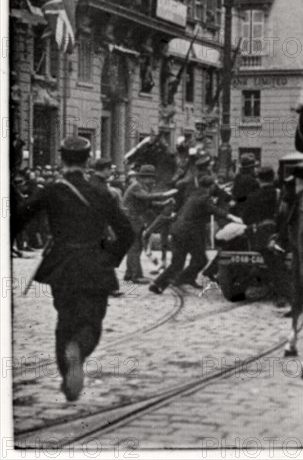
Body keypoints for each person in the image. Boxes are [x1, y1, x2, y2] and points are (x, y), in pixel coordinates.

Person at [15, 136, 134, 401]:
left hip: (62, 265)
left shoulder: (51, 190)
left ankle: (67, 373)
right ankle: (78, 352)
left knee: (64, 321)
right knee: (92, 321)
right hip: (95, 264)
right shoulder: (102, 192)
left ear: (61, 159)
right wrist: (109, 257)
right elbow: (127, 232)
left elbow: (18, 217)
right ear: (88, 160)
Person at [150, 176, 242, 294]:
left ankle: (158, 283)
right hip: (191, 234)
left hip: (177, 231)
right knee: (201, 260)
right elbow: (214, 209)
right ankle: (182, 278)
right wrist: (232, 216)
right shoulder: (205, 198)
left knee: (177, 263)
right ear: (211, 186)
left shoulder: (193, 195)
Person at [242, 166, 291, 308]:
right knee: (277, 264)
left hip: (259, 235)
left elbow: (246, 218)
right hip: (278, 234)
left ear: (258, 179)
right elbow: (285, 214)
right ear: (274, 177)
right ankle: (281, 295)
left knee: (269, 262)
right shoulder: (279, 194)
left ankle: (249, 284)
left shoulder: (252, 196)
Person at [122, 165, 176, 284]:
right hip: (132, 219)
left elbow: (148, 204)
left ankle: (129, 273)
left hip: (134, 220)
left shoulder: (142, 186)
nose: (153, 181)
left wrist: (164, 203)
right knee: (135, 247)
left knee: (134, 247)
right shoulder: (137, 186)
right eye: (151, 178)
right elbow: (146, 198)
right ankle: (136, 276)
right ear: (144, 178)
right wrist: (165, 195)